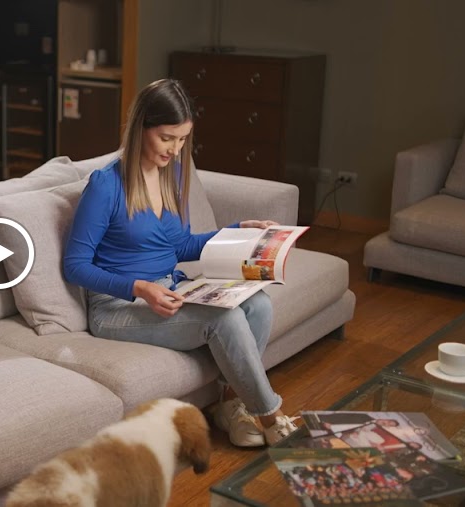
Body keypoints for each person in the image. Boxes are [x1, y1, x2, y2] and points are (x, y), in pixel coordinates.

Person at [62, 78, 299, 447]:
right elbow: (75, 265)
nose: (175, 149)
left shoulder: (172, 173)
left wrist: (237, 232)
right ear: (141, 128)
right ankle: (272, 417)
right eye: (167, 138)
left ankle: (230, 406)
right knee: (223, 318)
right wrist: (139, 288)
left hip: (172, 288)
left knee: (258, 304)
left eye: (183, 139)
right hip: (117, 307)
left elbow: (179, 245)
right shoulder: (105, 185)